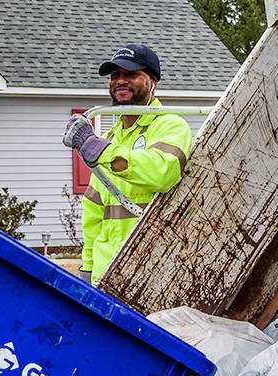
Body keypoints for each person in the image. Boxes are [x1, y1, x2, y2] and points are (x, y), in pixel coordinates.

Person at [63, 44, 193, 284]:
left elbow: (161, 173)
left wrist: (99, 150)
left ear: (153, 81)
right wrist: (88, 268)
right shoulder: (112, 139)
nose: (120, 81)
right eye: (115, 76)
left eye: (131, 74)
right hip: (106, 273)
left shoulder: (169, 125)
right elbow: (93, 212)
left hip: (151, 269)